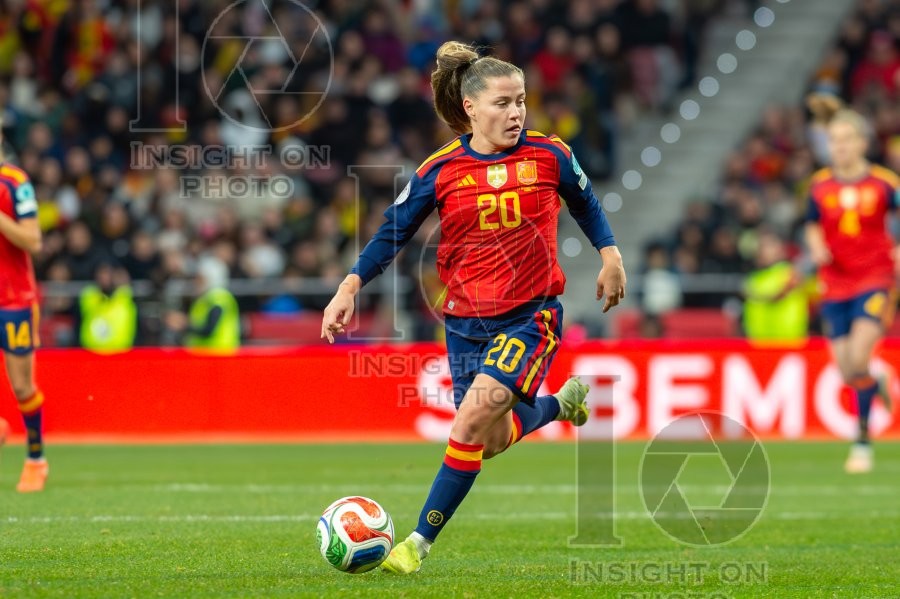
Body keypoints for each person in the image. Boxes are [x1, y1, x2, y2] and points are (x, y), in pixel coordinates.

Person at [321, 41, 626, 574]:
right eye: (503, 104)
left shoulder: (549, 154)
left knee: (467, 425)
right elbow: (393, 231)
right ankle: (561, 404)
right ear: (471, 108)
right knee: (486, 440)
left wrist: (610, 254)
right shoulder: (441, 169)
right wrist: (349, 285)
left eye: (521, 101)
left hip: (532, 316)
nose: (516, 113)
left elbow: (586, 202)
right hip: (464, 323)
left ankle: (416, 542)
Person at [805, 108, 897, 474]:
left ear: (862, 143)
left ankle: (862, 443)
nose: (839, 147)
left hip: (875, 278)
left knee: (859, 356)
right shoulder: (819, 185)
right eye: (834, 140)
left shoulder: (884, 183)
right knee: (847, 370)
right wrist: (814, 244)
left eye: (846, 139)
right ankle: (877, 381)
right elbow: (812, 223)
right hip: (835, 282)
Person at [0, 135, 49, 492]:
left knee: (21, 385)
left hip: (14, 297)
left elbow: (33, 240)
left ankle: (36, 458)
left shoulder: (14, 182)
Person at [743, 231, 808, 343]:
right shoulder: (753, 278)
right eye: (762, 246)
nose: (765, 250)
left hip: (789, 339)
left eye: (770, 246)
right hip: (759, 340)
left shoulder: (790, 272)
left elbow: (777, 296)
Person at [165, 257, 240, 352]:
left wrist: (183, 324)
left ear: (211, 278)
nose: (196, 282)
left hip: (218, 355)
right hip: (205, 354)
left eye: (200, 278)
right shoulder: (204, 299)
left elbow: (208, 329)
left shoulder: (219, 298)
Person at [77, 260, 138, 353]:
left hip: (121, 354)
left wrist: (123, 283)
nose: (104, 277)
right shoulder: (89, 295)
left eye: (108, 273)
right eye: (101, 274)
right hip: (91, 353)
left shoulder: (126, 296)